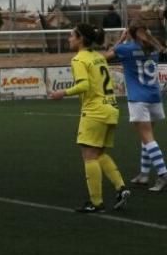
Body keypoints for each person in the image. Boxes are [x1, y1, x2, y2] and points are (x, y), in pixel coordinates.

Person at [48, 24, 130, 213]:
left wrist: (63, 92)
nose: (68, 39)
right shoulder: (98, 57)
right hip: (111, 108)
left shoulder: (79, 59)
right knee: (99, 153)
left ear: (80, 39)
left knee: (88, 156)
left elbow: (84, 85)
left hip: (95, 111)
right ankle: (121, 187)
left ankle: (96, 202)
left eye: (71, 36)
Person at [105, 24, 167, 191]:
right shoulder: (154, 47)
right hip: (155, 97)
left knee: (147, 138)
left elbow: (105, 57)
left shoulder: (126, 49)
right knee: (147, 138)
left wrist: (120, 40)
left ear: (130, 34)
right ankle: (144, 174)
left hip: (138, 99)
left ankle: (163, 173)